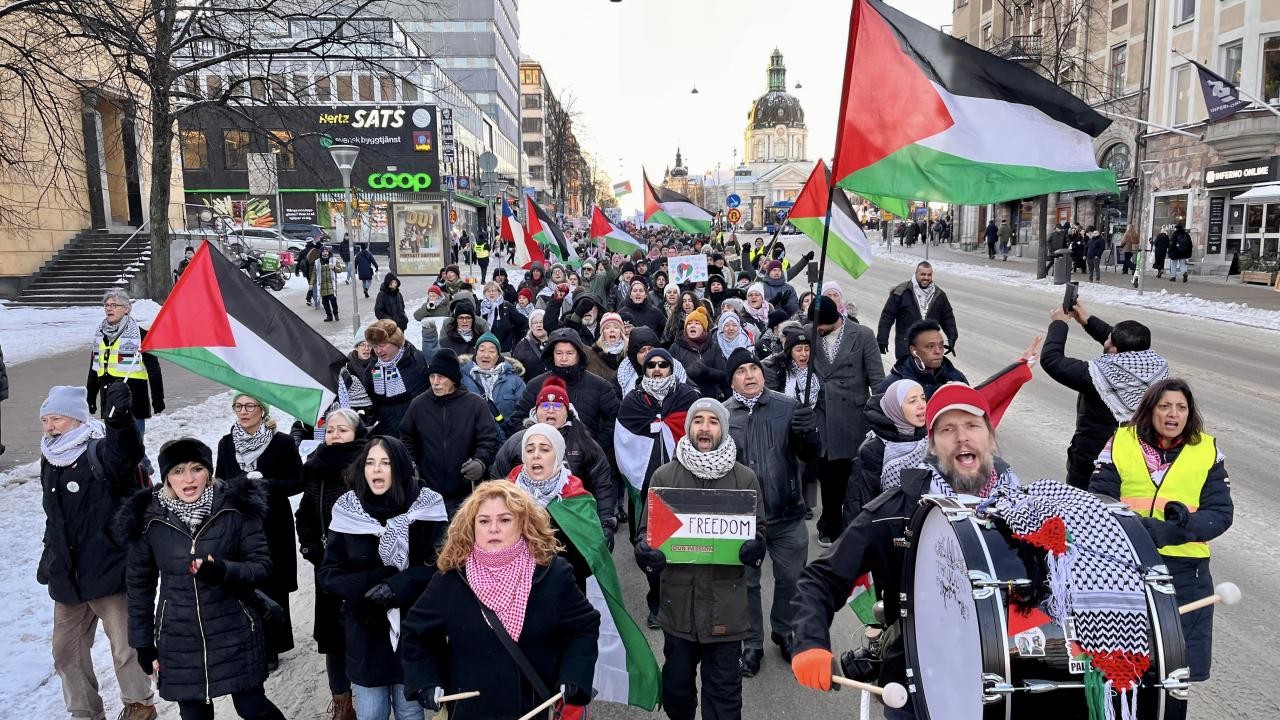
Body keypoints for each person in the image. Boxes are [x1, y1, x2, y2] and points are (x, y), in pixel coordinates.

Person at [790, 385, 1023, 719]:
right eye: (947, 429)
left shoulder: (1028, 509)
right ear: (932, 445)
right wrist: (810, 642)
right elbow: (821, 578)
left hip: (1010, 681)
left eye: (972, 426)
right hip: (918, 686)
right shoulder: (898, 509)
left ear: (990, 435)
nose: (961, 438)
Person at [400, 481, 600, 720]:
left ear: (523, 524)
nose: (493, 528)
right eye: (484, 521)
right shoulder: (451, 580)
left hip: (533, 707)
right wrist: (427, 681)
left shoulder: (554, 574)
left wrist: (573, 675)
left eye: (505, 520)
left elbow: (583, 628)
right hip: (470, 711)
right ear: (471, 526)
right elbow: (415, 633)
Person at [116, 438, 284, 720]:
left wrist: (222, 571)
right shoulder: (149, 518)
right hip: (179, 638)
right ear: (167, 476)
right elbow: (139, 586)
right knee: (195, 715)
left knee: (252, 707)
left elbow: (261, 566)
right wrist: (142, 643)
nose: (188, 478)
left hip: (234, 627)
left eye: (196, 468)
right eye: (178, 471)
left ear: (209, 471)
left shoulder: (236, 508)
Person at [1090, 378, 1232, 681]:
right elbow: (1099, 499)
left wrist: (1177, 530)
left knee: (1174, 670)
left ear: (1189, 413)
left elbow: (1220, 514)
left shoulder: (1207, 451)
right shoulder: (1120, 442)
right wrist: (1141, 530)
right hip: (1126, 567)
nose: (1173, 414)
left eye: (1181, 407)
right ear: (1150, 409)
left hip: (1185, 572)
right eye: (1165, 406)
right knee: (1120, 664)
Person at [635, 399, 766, 720]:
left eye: (713, 421)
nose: (704, 427)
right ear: (689, 427)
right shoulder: (664, 475)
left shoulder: (744, 478)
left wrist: (756, 547)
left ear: (723, 429)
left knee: (724, 694)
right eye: (698, 421)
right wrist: (645, 552)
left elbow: (759, 530)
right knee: (677, 689)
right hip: (678, 605)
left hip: (726, 609)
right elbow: (644, 532)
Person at [40, 384, 157, 720]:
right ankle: (85, 712)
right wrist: (49, 555)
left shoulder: (98, 450)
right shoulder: (50, 457)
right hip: (68, 572)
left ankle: (140, 706)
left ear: (77, 419)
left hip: (109, 566)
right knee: (65, 652)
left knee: (125, 647)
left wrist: (120, 420)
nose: (49, 426)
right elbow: (54, 515)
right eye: (45, 419)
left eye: (57, 419)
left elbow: (125, 455)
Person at [318, 436, 448, 720]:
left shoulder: (428, 507)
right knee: (371, 713)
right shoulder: (347, 510)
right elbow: (328, 574)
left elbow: (444, 567)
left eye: (385, 463)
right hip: (366, 632)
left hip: (414, 630)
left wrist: (398, 585)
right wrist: (370, 584)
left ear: (400, 467)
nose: (376, 469)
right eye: (370, 462)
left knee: (409, 711)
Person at [722, 350, 818, 678]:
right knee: (746, 584)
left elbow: (810, 457)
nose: (750, 375)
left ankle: (784, 630)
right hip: (743, 520)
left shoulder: (788, 406)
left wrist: (809, 433)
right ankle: (752, 644)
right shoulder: (722, 415)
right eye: (741, 372)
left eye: (754, 369)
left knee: (791, 578)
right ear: (731, 379)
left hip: (787, 512)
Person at [1041, 300, 1168, 489]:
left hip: (1092, 461)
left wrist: (1059, 323)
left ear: (1114, 349)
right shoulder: (1157, 369)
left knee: (1084, 508)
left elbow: (1052, 360)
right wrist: (1087, 321)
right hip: (1138, 457)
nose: (1106, 339)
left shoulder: (1098, 377)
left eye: (1109, 339)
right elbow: (1121, 343)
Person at [215, 393, 303, 663]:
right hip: (239, 523)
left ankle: (273, 647)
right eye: (238, 406)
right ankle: (249, 642)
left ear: (262, 411)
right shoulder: (227, 443)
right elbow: (220, 478)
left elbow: (298, 481)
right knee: (244, 580)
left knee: (272, 581)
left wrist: (268, 486)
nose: (243, 411)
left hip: (273, 521)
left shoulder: (283, 443)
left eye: (250, 406)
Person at [615, 348, 701, 625]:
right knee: (654, 549)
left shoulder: (688, 397)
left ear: (671, 368)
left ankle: (688, 601)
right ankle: (657, 603)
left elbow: (702, 433)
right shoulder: (634, 402)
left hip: (686, 486)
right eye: (651, 365)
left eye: (663, 364)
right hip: (650, 487)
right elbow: (624, 441)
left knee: (688, 547)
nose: (657, 369)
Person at [297, 409, 367, 720]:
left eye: (343, 430)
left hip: (363, 565)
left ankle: (370, 694)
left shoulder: (368, 464)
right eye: (330, 430)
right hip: (327, 565)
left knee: (363, 629)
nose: (335, 435)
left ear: (357, 434)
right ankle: (342, 702)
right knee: (332, 636)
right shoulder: (315, 466)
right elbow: (305, 510)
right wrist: (310, 544)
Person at [491, 377, 616, 539]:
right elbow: (496, 482)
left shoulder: (585, 443)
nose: (551, 410)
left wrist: (605, 522)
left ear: (567, 411)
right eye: (545, 405)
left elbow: (602, 484)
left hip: (574, 525)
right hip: (526, 525)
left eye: (557, 405)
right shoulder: (517, 442)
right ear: (535, 411)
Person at [806, 297, 884, 546]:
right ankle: (829, 523)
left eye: (823, 327)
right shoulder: (809, 332)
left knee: (849, 476)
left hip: (853, 417)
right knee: (827, 476)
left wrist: (879, 419)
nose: (818, 330)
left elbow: (877, 380)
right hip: (822, 414)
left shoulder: (862, 335)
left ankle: (852, 525)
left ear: (835, 320)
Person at [399, 348, 500, 517]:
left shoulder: (475, 404)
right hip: (426, 492)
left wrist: (480, 462)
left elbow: (489, 440)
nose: (435, 382)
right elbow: (405, 439)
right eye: (432, 376)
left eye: (441, 377)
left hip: (465, 492)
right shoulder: (418, 405)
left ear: (453, 379)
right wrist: (411, 465)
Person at [505, 328, 620, 450]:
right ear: (552, 355)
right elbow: (517, 420)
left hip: (586, 459)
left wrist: (595, 447)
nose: (563, 358)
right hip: (543, 458)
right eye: (559, 353)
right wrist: (535, 444)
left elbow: (614, 421)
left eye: (569, 353)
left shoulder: (600, 385)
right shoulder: (535, 385)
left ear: (578, 355)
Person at [86, 288, 165, 445]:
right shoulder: (100, 335)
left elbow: (154, 369)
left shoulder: (140, 335)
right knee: (115, 447)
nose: (109, 308)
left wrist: (158, 398)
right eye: (106, 305)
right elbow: (94, 368)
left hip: (134, 400)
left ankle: (143, 468)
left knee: (134, 445)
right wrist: (90, 397)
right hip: (110, 400)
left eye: (114, 305)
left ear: (127, 308)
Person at [847, 379, 926, 523]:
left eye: (923, 398)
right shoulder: (874, 449)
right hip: (886, 526)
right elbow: (860, 502)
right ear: (895, 407)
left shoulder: (929, 440)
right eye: (912, 401)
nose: (921, 406)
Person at [876, 261, 958, 360]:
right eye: (923, 274)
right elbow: (887, 316)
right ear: (916, 274)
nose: (926, 278)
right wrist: (882, 339)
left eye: (929, 275)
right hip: (906, 348)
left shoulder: (939, 295)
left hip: (930, 349)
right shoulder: (901, 292)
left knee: (929, 374)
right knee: (906, 375)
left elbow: (948, 318)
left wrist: (952, 337)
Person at [362, 320, 431, 436]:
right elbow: (369, 402)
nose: (378, 351)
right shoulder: (373, 368)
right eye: (374, 346)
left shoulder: (416, 361)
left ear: (396, 342)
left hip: (415, 431)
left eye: (382, 345)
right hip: (386, 433)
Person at [878, 319, 968, 398]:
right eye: (930, 346)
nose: (938, 351)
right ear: (913, 350)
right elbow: (877, 414)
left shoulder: (956, 377)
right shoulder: (894, 384)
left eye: (941, 345)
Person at [460, 333, 526, 440]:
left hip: (505, 441)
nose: (486, 355)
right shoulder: (462, 378)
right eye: (481, 350)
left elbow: (523, 412)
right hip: (472, 442)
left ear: (498, 356)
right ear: (475, 353)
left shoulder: (515, 380)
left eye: (491, 351)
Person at [671, 307, 728, 400]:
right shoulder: (676, 347)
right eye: (689, 323)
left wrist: (707, 371)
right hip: (684, 397)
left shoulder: (714, 346)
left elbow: (723, 376)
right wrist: (687, 373)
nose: (692, 326)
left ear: (703, 328)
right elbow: (669, 374)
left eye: (697, 323)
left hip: (711, 397)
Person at [477, 281, 528, 352]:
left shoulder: (507, 307)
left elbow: (524, 322)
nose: (491, 293)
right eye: (488, 291)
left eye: (494, 290)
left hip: (504, 351)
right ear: (484, 293)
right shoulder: (481, 308)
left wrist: (517, 342)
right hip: (484, 351)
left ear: (499, 292)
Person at [586, 311, 628, 383]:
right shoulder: (594, 354)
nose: (612, 330)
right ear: (603, 333)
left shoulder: (629, 352)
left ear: (621, 332)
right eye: (607, 328)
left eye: (616, 327)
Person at [412, 285, 451, 360]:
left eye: (434, 295)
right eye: (430, 296)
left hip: (443, 334)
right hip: (430, 334)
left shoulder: (446, 305)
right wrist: (426, 309)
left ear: (439, 296)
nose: (432, 298)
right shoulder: (426, 305)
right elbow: (416, 316)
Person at [512, 308, 550, 380]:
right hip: (531, 387)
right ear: (531, 326)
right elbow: (516, 370)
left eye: (541, 322)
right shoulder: (522, 345)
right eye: (535, 323)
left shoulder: (555, 342)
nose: (539, 325)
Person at [314, 246, 347, 322]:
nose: (325, 253)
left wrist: (334, 267)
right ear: (321, 252)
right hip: (322, 285)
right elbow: (314, 273)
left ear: (328, 252)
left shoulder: (334, 260)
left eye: (326, 251)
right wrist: (311, 284)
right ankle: (329, 316)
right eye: (323, 251)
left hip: (331, 284)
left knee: (333, 300)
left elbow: (340, 270)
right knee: (325, 302)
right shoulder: (317, 262)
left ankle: (336, 314)